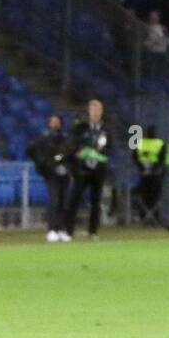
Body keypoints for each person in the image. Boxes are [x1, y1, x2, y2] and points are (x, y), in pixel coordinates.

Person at [63, 99, 111, 240]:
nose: (95, 113)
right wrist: (78, 156)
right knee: (74, 199)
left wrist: (103, 149)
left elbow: (110, 147)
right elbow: (73, 144)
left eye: (98, 110)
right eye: (93, 110)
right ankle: (68, 230)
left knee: (96, 201)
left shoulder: (106, 129)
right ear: (89, 111)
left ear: (101, 112)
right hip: (82, 169)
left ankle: (93, 231)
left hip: (98, 170)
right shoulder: (81, 128)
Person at [26, 114, 72, 242]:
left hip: (64, 173)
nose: (55, 124)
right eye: (53, 121)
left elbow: (71, 153)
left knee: (63, 201)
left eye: (57, 121)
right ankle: (52, 229)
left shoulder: (65, 138)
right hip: (51, 174)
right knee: (54, 200)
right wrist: (42, 163)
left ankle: (62, 229)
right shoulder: (44, 138)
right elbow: (30, 150)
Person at [132, 124, 165, 224]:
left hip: (154, 174)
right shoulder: (140, 143)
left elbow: (161, 158)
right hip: (144, 174)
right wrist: (143, 168)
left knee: (154, 196)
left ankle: (154, 217)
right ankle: (144, 216)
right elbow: (135, 156)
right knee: (144, 196)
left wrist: (150, 168)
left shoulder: (159, 143)